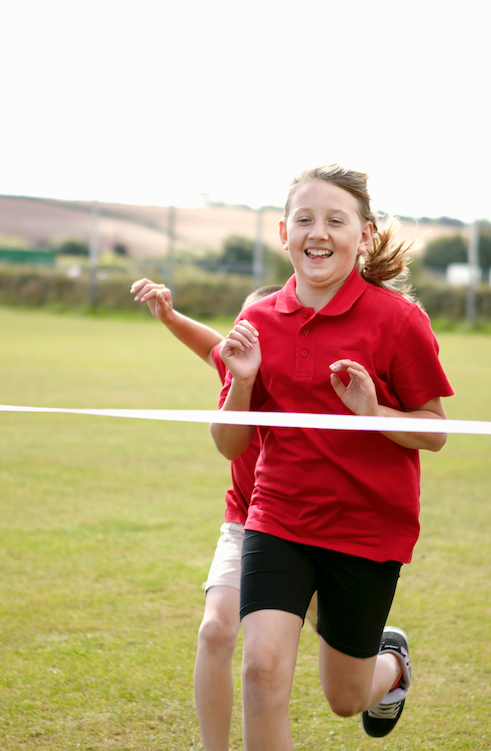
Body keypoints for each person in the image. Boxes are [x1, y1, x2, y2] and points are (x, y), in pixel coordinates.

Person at [212, 164, 454, 749]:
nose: (318, 232)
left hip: (367, 529)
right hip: (278, 518)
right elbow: (228, 444)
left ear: (364, 235)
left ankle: (390, 667)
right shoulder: (257, 319)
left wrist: (373, 414)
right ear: (283, 232)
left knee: (345, 699)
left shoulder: (399, 320)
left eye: (335, 221)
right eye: (305, 219)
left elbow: (435, 432)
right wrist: (242, 382)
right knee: (261, 669)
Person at [130, 278, 288, 751]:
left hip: (308, 532)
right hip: (246, 523)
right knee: (216, 629)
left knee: (346, 669)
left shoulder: (302, 383)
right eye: (242, 326)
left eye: (259, 330)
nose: (243, 337)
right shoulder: (234, 366)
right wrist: (169, 316)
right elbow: (210, 346)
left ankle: (388, 660)